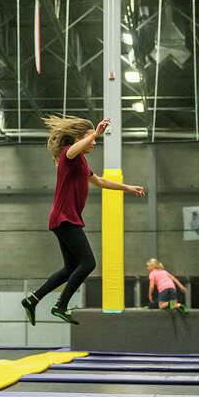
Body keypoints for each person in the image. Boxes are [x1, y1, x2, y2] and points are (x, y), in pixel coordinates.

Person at [21, 116, 145, 325]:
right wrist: (95, 133)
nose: (95, 143)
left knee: (70, 268)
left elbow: (100, 181)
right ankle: (60, 306)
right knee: (88, 263)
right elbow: (72, 150)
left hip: (67, 219)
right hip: (65, 218)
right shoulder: (68, 155)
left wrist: (128, 187)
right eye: (91, 140)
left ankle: (32, 300)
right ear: (79, 139)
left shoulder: (81, 162)